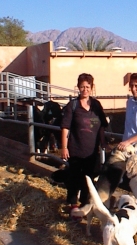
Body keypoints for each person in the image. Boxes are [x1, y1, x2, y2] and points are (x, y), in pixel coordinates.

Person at [60, 73, 110, 220]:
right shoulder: (72, 106)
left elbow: (101, 126)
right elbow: (65, 128)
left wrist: (103, 143)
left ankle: (83, 205)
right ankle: (73, 205)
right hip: (75, 150)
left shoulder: (96, 105)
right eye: (82, 87)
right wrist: (64, 147)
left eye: (88, 87)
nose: (85, 89)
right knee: (74, 178)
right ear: (78, 88)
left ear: (92, 88)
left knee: (88, 179)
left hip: (91, 151)